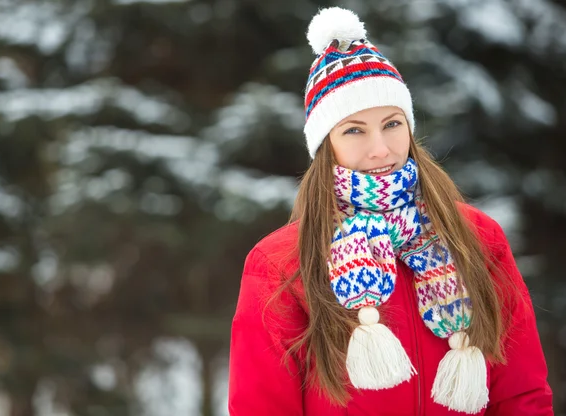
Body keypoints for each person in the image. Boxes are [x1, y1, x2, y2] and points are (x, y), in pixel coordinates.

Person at [228, 7, 553, 416]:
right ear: (324, 144)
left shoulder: (476, 237)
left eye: (392, 124)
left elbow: (521, 395)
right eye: (354, 130)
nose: (380, 148)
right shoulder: (280, 264)